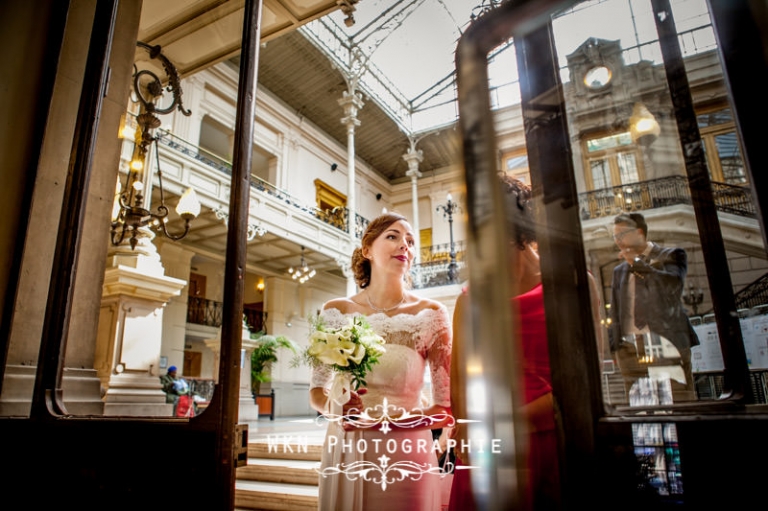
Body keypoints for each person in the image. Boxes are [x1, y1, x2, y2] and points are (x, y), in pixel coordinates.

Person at [447, 176, 603, 510]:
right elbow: (458, 378)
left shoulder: (573, 284)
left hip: (553, 440)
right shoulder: (469, 299)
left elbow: (587, 378)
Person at [308, 212, 453, 511]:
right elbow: (316, 392)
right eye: (393, 236)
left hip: (406, 452)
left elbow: (444, 409)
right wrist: (337, 409)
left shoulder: (431, 314)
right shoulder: (336, 311)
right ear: (367, 250)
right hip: (346, 447)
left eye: (410, 241)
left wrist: (387, 421)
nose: (405, 245)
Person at [609, 212, 700, 403]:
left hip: (667, 344)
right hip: (630, 349)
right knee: (639, 406)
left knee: (679, 402)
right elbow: (616, 311)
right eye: (615, 236)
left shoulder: (672, 255)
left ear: (639, 233)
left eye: (621, 235)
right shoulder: (619, 271)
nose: (617, 241)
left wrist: (636, 264)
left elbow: (672, 286)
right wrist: (616, 346)